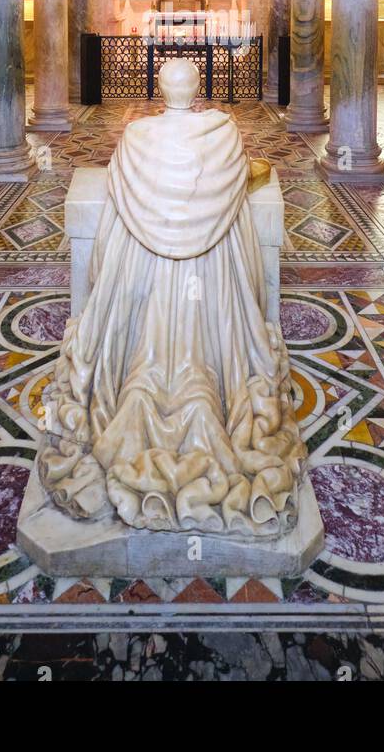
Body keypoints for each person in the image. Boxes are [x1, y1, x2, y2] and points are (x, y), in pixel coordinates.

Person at [38, 57, 305, 537]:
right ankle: (213, 389)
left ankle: (136, 383)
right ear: (198, 87)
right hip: (210, 289)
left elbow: (118, 208)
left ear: (158, 89)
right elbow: (238, 189)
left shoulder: (138, 137)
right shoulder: (223, 131)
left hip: (147, 279)